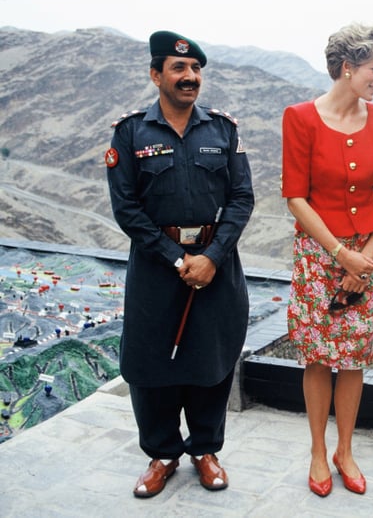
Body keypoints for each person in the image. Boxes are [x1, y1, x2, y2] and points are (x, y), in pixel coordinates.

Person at [105, 30, 254, 498]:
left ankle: (206, 450)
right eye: (178, 69)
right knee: (150, 361)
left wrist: (211, 257)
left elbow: (241, 198)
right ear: (156, 75)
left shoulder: (223, 130)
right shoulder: (130, 132)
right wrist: (175, 258)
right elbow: (126, 208)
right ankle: (162, 453)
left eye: (194, 70)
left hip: (216, 264)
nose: (190, 77)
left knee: (211, 358)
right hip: (156, 265)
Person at [280, 22, 373, 497]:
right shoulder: (300, 118)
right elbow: (295, 197)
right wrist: (339, 252)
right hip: (319, 254)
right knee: (317, 358)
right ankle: (316, 450)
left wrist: (364, 257)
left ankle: (344, 450)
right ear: (347, 68)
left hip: (366, 255)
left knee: (352, 359)